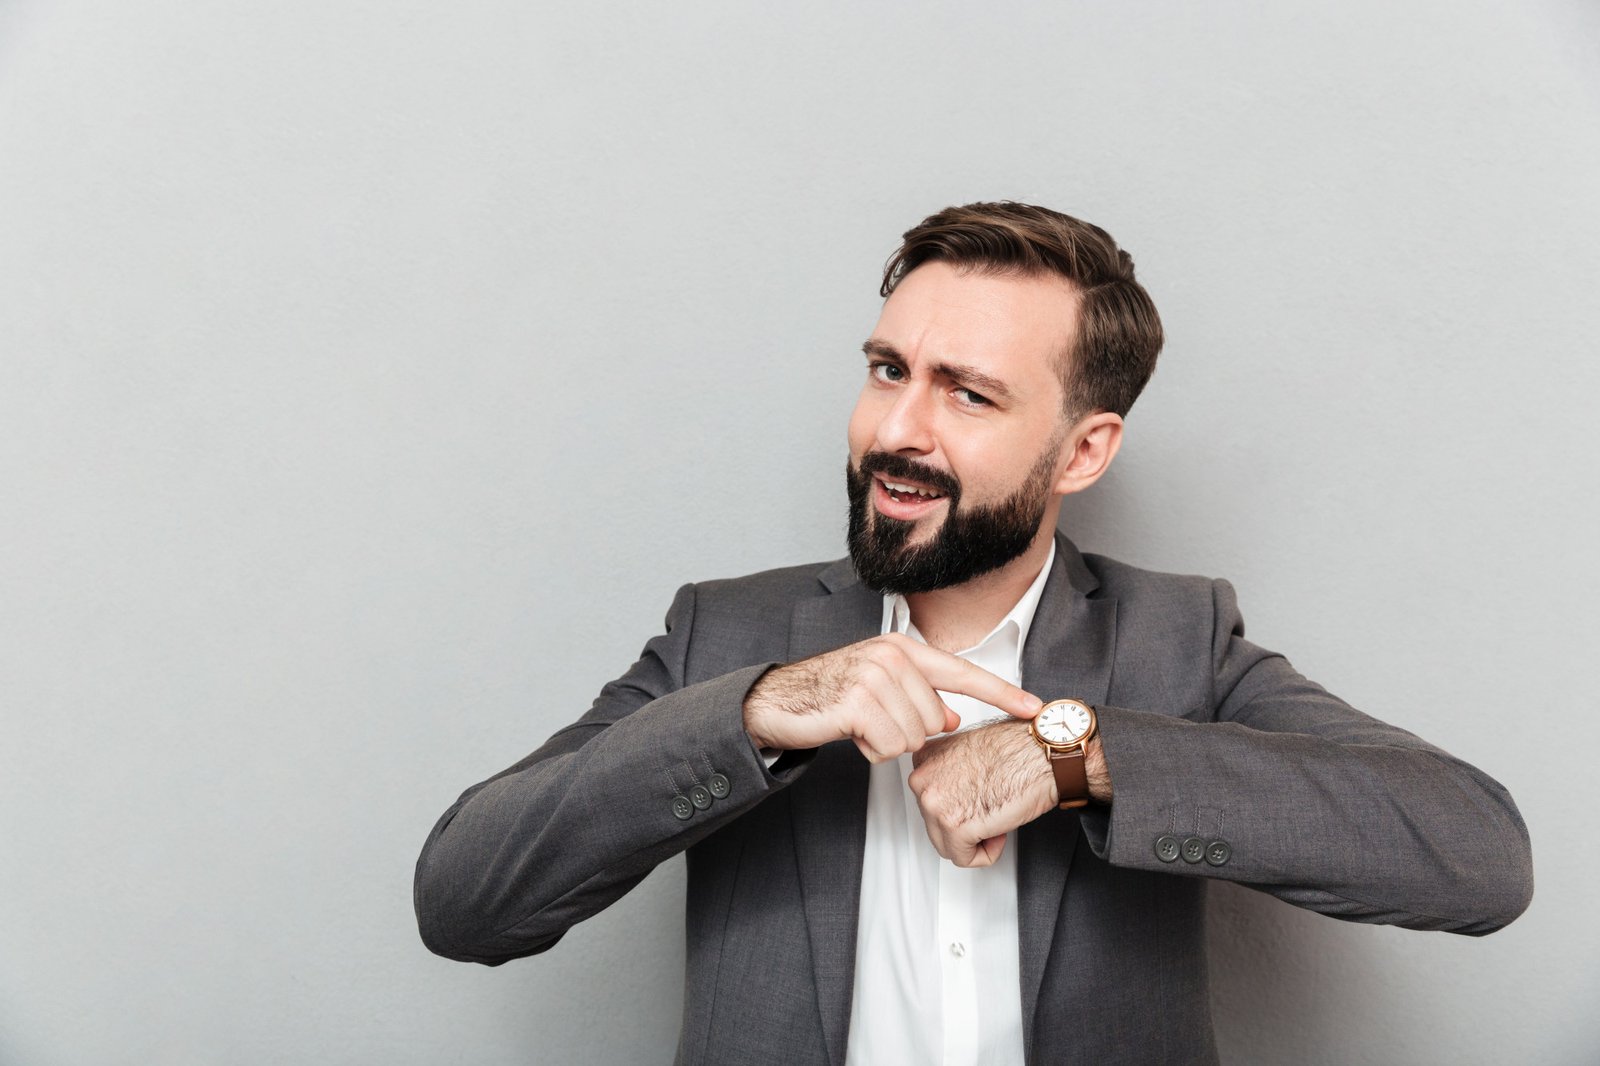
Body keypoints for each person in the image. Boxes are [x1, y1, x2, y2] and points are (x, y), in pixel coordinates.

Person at [413, 201, 1533, 1065]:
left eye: (969, 394)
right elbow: (465, 899)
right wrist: (756, 712)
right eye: (887, 371)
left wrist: (1072, 756)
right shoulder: (728, 631)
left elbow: (1476, 855)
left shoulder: (1177, 640)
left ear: (1082, 452)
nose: (895, 430)